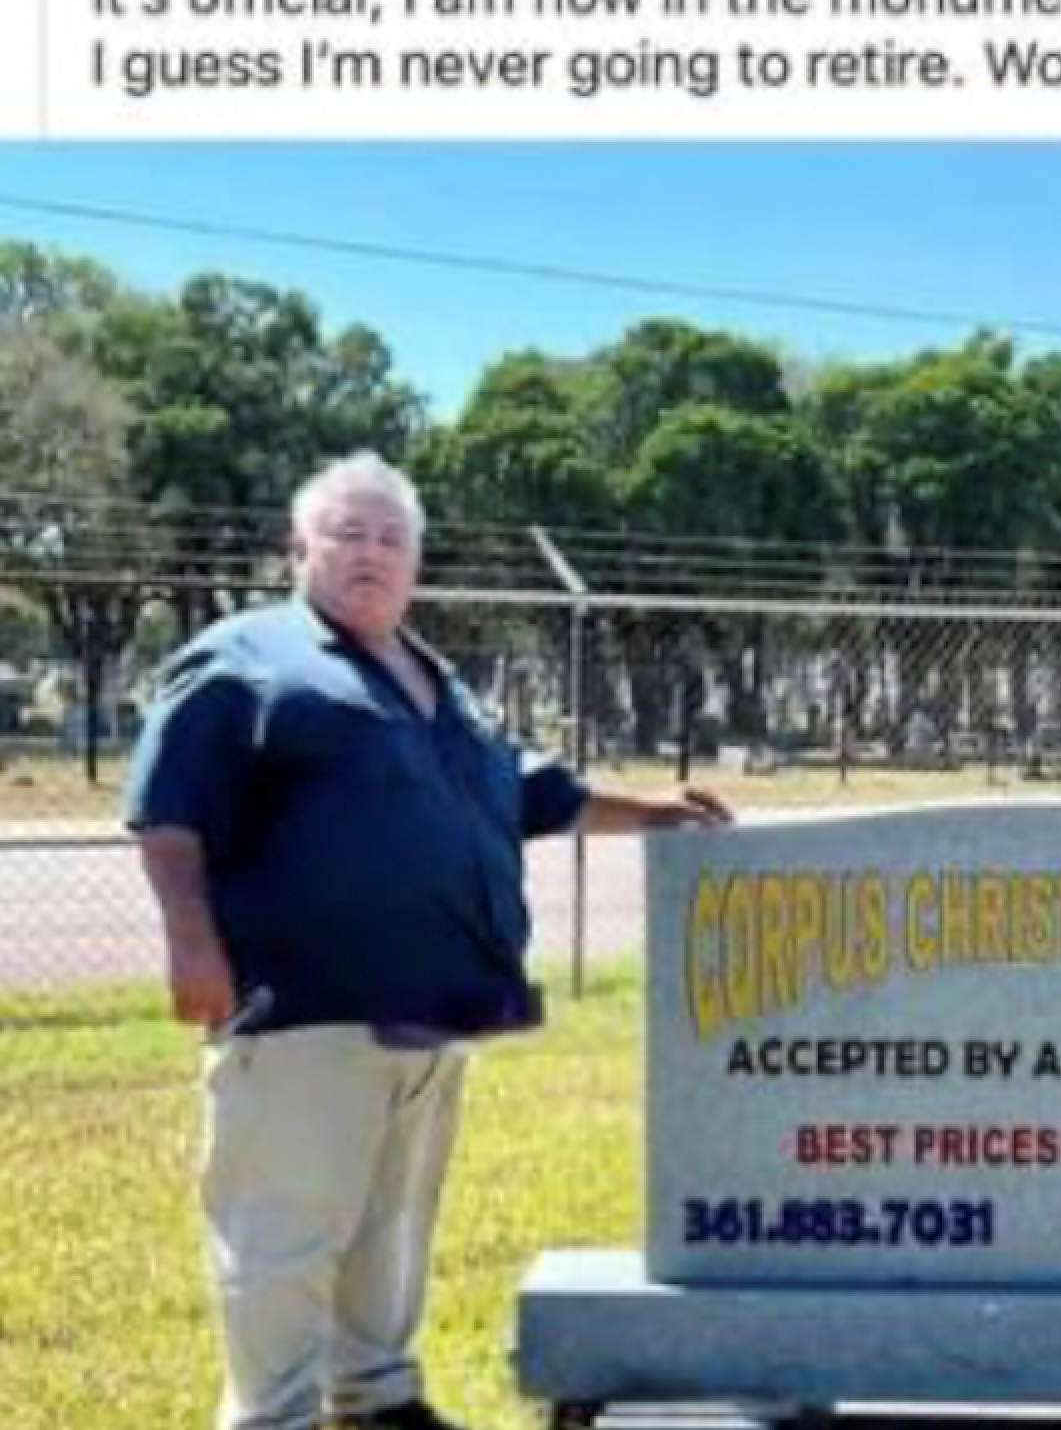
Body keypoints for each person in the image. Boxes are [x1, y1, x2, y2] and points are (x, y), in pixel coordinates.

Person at [126, 453, 732, 1430]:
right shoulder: (245, 659)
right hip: (303, 1006)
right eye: (346, 533)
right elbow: (169, 815)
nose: (369, 552)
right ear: (300, 546)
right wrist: (190, 946)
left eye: (390, 537)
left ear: (415, 560)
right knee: (284, 1231)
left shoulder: (436, 677)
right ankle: (271, 1414)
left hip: (432, 1009)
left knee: (389, 1221)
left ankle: (375, 1397)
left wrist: (650, 811)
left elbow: (526, 789)